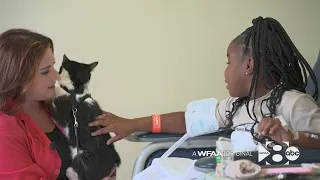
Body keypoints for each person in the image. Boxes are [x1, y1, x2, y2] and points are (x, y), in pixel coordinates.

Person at [89, 16, 320, 149]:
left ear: (248, 66)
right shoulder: (234, 105)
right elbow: (187, 120)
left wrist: (292, 140)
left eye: (228, 62)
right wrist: (133, 123)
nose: (226, 72)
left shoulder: (294, 104)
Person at [0, 29, 115, 180]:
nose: (57, 76)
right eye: (45, 72)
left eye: (54, 66)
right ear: (17, 77)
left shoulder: (61, 103)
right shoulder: (5, 133)